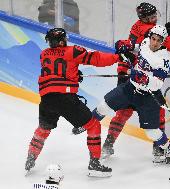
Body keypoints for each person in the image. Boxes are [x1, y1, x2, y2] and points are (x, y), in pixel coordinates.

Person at [24, 28, 125, 177]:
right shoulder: (73, 51)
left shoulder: (43, 54)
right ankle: (94, 165)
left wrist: (73, 74)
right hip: (64, 98)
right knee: (93, 125)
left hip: (46, 99)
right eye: (64, 39)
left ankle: (30, 158)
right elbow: (97, 59)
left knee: (44, 129)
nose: (66, 41)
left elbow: (56, 71)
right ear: (61, 41)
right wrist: (118, 57)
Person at [102, 2, 170, 162]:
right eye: (151, 16)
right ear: (143, 18)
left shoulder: (140, 27)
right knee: (145, 112)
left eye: (155, 14)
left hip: (130, 71)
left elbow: (154, 38)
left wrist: (167, 29)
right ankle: (158, 149)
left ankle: (108, 146)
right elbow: (167, 44)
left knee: (125, 111)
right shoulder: (147, 30)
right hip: (134, 74)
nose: (155, 17)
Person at [73, 25, 170, 166]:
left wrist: (144, 78)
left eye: (158, 40)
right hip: (130, 88)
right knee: (104, 106)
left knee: (152, 132)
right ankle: (86, 123)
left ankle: (168, 147)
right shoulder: (145, 43)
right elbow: (133, 46)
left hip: (147, 96)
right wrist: (123, 45)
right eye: (153, 38)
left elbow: (157, 84)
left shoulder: (163, 59)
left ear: (163, 42)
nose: (154, 42)